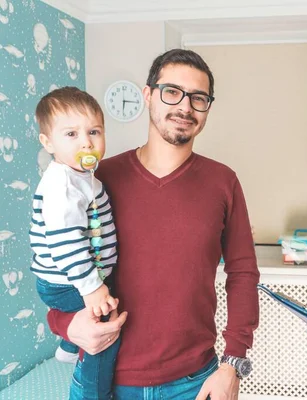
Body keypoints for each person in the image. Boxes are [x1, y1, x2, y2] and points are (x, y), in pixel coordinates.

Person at [46, 49, 260, 400]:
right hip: (105, 377)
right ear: (148, 95)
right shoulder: (98, 180)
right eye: (172, 92)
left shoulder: (223, 182)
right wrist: (66, 324)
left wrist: (233, 363)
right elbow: (55, 258)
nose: (185, 107)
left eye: (198, 98)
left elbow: (243, 273)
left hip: (197, 382)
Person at [30, 87, 120, 400]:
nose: (86, 142)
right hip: (67, 280)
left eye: (94, 131)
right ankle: (94, 392)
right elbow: (66, 242)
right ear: (48, 142)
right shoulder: (61, 183)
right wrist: (92, 289)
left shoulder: (84, 177)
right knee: (105, 325)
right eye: (71, 133)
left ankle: (69, 348)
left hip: (75, 277)